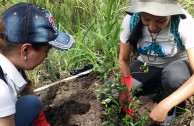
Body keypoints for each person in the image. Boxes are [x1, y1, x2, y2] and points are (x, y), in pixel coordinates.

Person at [119, 0, 194, 125]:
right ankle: (158, 90)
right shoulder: (131, 20)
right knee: (111, 94)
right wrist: (125, 92)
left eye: (160, 20)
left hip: (176, 68)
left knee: (174, 77)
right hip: (147, 66)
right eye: (146, 19)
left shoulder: (184, 23)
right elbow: (123, 59)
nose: (152, 27)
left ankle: (175, 109)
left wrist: (165, 105)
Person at [0, 2, 75, 126]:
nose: (46, 57)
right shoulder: (1, 90)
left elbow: (27, 91)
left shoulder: (8, 58)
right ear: (25, 50)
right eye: (46, 51)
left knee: (31, 103)